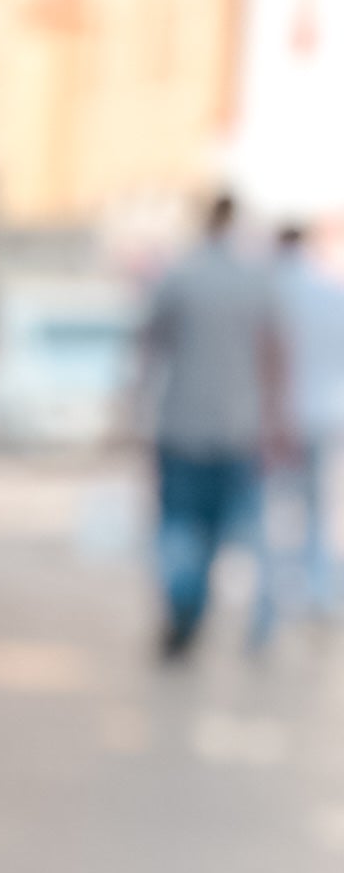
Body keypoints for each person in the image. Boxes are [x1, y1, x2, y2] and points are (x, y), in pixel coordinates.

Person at [140, 190, 282, 659]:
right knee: (220, 530)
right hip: (237, 425)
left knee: (180, 526)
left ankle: (184, 602)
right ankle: (197, 605)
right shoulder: (254, 280)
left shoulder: (180, 276)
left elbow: (149, 346)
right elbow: (274, 355)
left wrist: (135, 409)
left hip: (182, 421)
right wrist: (274, 421)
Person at [265, 219, 344, 632]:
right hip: (324, 413)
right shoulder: (329, 292)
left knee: (274, 510)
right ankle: (317, 589)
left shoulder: (269, 291)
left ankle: (278, 594)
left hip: (278, 417)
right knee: (316, 509)